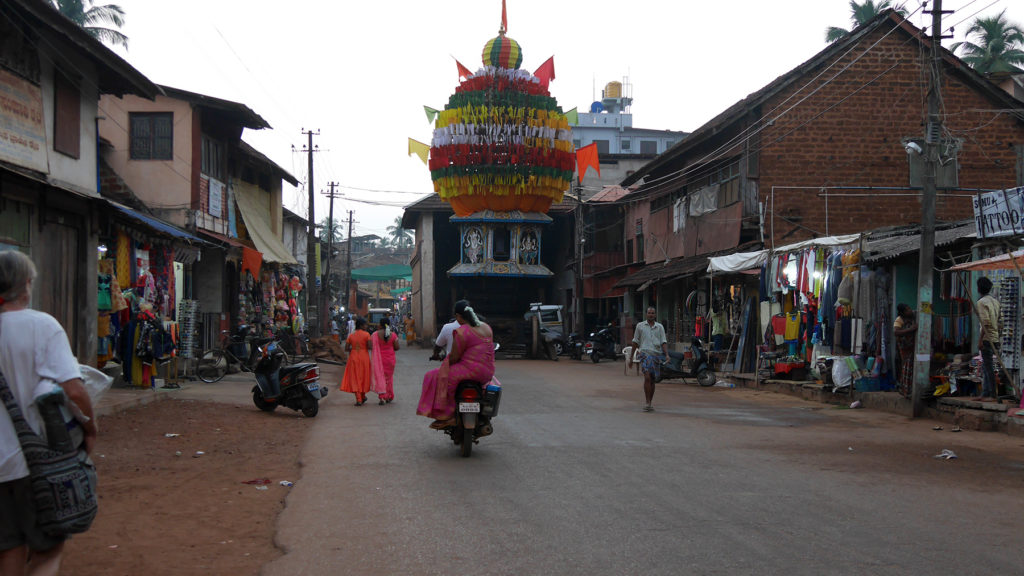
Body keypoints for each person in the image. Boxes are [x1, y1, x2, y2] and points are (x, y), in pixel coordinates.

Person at [0, 250, 97, 575]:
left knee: (9, 551)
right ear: (26, 284)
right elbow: (74, 390)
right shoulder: (43, 326)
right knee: (48, 551)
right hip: (34, 462)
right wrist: (90, 428)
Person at [417, 300, 494, 429]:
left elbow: (454, 357)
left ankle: (449, 415)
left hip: (468, 371)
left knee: (433, 376)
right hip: (487, 371)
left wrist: (445, 364)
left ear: (458, 316)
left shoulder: (462, 331)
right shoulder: (486, 327)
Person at [632, 306, 668, 412]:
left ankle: (650, 402)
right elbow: (635, 341)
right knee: (647, 377)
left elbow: (663, 342)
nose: (651, 314)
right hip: (644, 354)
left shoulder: (660, 327)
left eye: (653, 313)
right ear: (646, 314)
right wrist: (630, 358)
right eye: (649, 313)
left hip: (656, 355)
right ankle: (647, 402)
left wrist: (667, 354)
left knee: (652, 379)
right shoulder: (640, 326)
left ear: (655, 315)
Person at [975, 277, 1001, 402]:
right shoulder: (995, 302)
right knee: (986, 367)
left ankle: (991, 394)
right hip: (995, 337)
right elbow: (999, 322)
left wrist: (980, 340)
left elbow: (985, 322)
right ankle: (985, 393)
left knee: (988, 367)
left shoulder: (981, 302)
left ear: (979, 288)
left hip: (987, 338)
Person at [341, 317, 373, 406]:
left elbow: (346, 348)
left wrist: (354, 348)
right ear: (361, 325)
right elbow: (370, 347)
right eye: (365, 324)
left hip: (354, 357)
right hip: (364, 357)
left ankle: (359, 398)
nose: (366, 326)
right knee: (363, 376)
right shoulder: (367, 335)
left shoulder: (351, 335)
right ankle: (362, 396)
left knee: (355, 377)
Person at [370, 318, 400, 405]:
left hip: (379, 360)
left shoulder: (375, 335)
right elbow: (397, 347)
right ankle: (388, 396)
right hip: (390, 359)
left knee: (380, 377)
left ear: (380, 324)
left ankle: (382, 397)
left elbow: (370, 345)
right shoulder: (393, 335)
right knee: (389, 378)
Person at [893, 303, 917, 398]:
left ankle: (907, 389)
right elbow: (896, 332)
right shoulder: (899, 320)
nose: (909, 310)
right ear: (903, 312)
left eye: (909, 308)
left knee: (911, 369)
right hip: (904, 348)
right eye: (907, 309)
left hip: (912, 346)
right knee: (907, 368)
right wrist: (911, 329)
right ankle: (905, 390)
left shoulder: (913, 315)